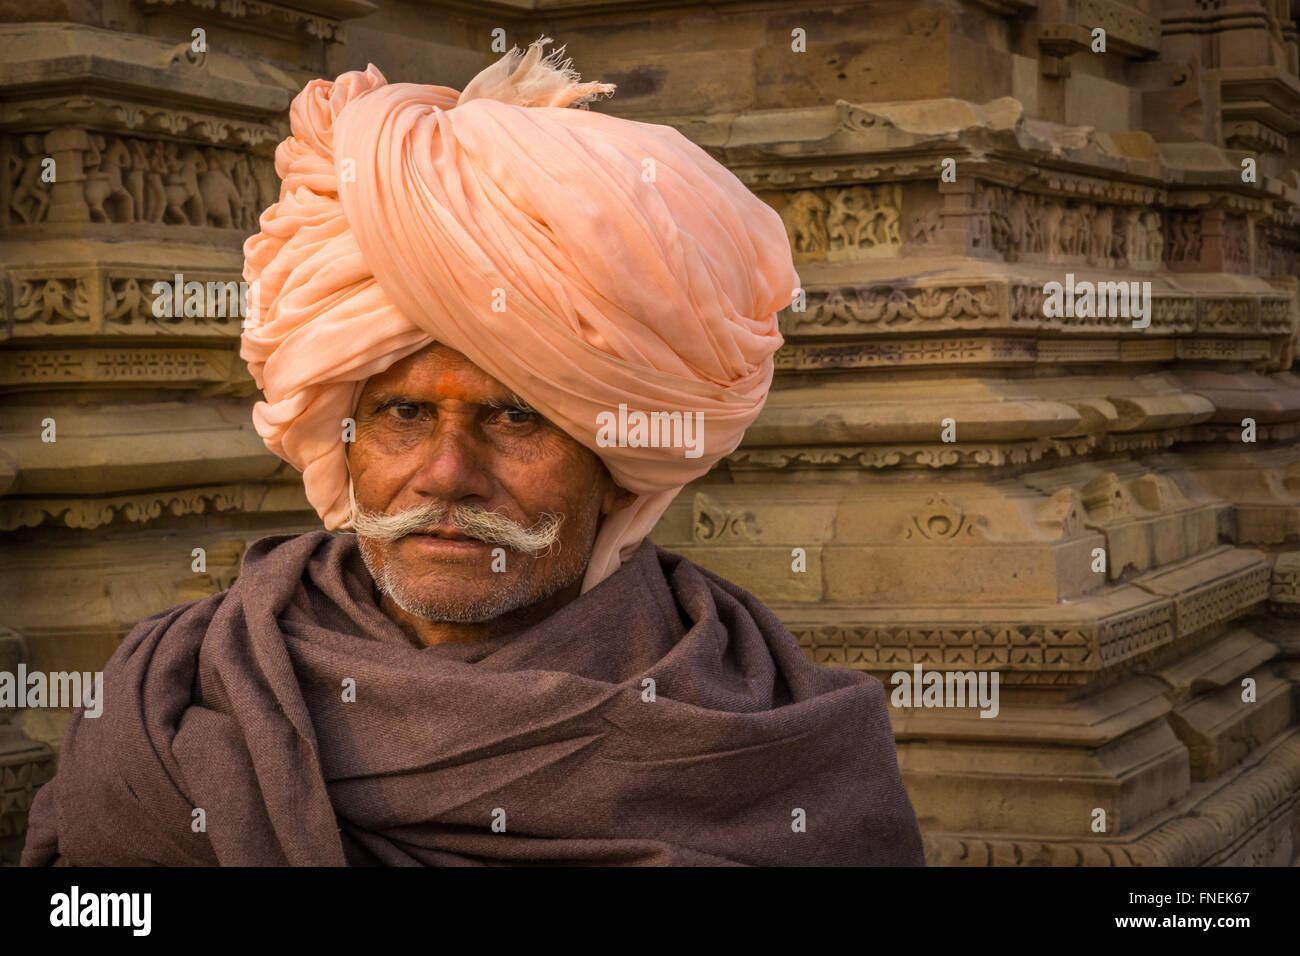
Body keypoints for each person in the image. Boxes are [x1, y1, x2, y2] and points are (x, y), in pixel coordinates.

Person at [21, 36, 923, 866]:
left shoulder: (771, 743)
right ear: (342, 441)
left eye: (518, 418)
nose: (448, 474)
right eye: (404, 414)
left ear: (615, 464)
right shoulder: (183, 698)